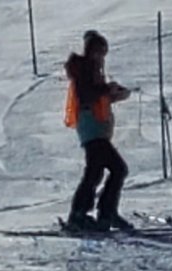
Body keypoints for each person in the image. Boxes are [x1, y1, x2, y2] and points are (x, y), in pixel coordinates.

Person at [64, 30, 132, 232]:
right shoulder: (85, 69)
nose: (101, 56)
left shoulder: (90, 70)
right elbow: (87, 96)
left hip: (94, 129)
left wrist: (113, 95)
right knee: (116, 169)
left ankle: (89, 214)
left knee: (96, 171)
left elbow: (94, 97)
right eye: (99, 51)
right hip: (92, 129)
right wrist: (107, 90)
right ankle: (99, 213)